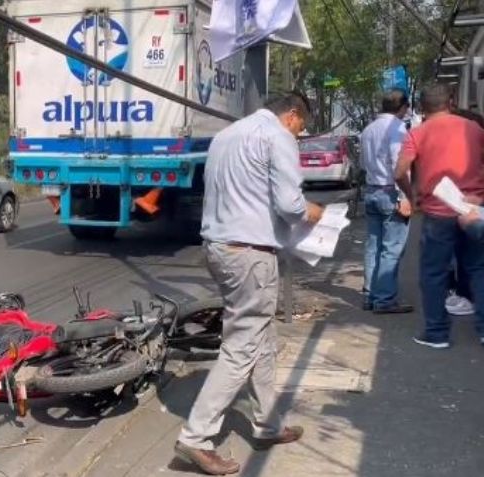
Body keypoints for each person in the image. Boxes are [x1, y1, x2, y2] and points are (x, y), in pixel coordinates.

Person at [174, 92, 324, 475]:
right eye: (300, 126)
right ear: (291, 116)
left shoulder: (227, 135)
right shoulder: (277, 137)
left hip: (219, 248)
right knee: (242, 346)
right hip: (250, 254)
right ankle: (196, 437)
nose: (298, 133)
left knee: (262, 340)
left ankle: (266, 423)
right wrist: (314, 212)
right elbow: (290, 206)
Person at [395, 84, 484, 349]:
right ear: (451, 102)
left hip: (437, 212)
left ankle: (437, 333)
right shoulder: (475, 129)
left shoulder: (417, 133)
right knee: (479, 269)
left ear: (422, 107)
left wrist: (412, 197)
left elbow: (400, 172)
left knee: (433, 273)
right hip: (472, 209)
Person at [359, 89, 414, 314]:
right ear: (402, 107)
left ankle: (370, 294)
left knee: (374, 246)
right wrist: (405, 196)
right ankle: (384, 300)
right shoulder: (397, 129)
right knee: (391, 249)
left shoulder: (368, 129)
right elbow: (398, 165)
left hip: (371, 191)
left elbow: (362, 163)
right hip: (391, 191)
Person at [444, 109, 484, 317]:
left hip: (473, 214)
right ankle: (465, 295)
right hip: (467, 211)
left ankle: (468, 297)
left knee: (472, 259)